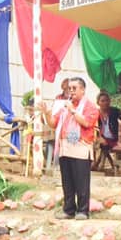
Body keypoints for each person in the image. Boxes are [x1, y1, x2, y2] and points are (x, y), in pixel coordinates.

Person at [41, 76, 99, 220]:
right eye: (69, 89)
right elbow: (53, 123)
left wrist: (73, 110)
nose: (71, 91)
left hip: (80, 148)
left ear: (83, 90)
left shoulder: (90, 106)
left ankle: (83, 211)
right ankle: (68, 210)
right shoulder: (64, 106)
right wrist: (46, 112)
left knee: (81, 181)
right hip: (65, 147)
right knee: (67, 181)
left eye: (74, 88)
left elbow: (86, 123)